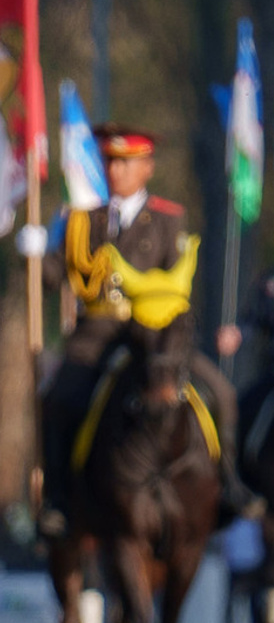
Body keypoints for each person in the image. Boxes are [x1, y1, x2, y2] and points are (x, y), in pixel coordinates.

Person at [31, 124, 255, 536]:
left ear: (147, 168)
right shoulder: (82, 218)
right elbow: (52, 277)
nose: (116, 171)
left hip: (154, 334)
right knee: (60, 398)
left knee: (221, 394)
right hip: (98, 329)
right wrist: (40, 249)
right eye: (111, 162)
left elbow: (176, 284)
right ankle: (58, 499)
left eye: (126, 163)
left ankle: (228, 483)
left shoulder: (170, 219)